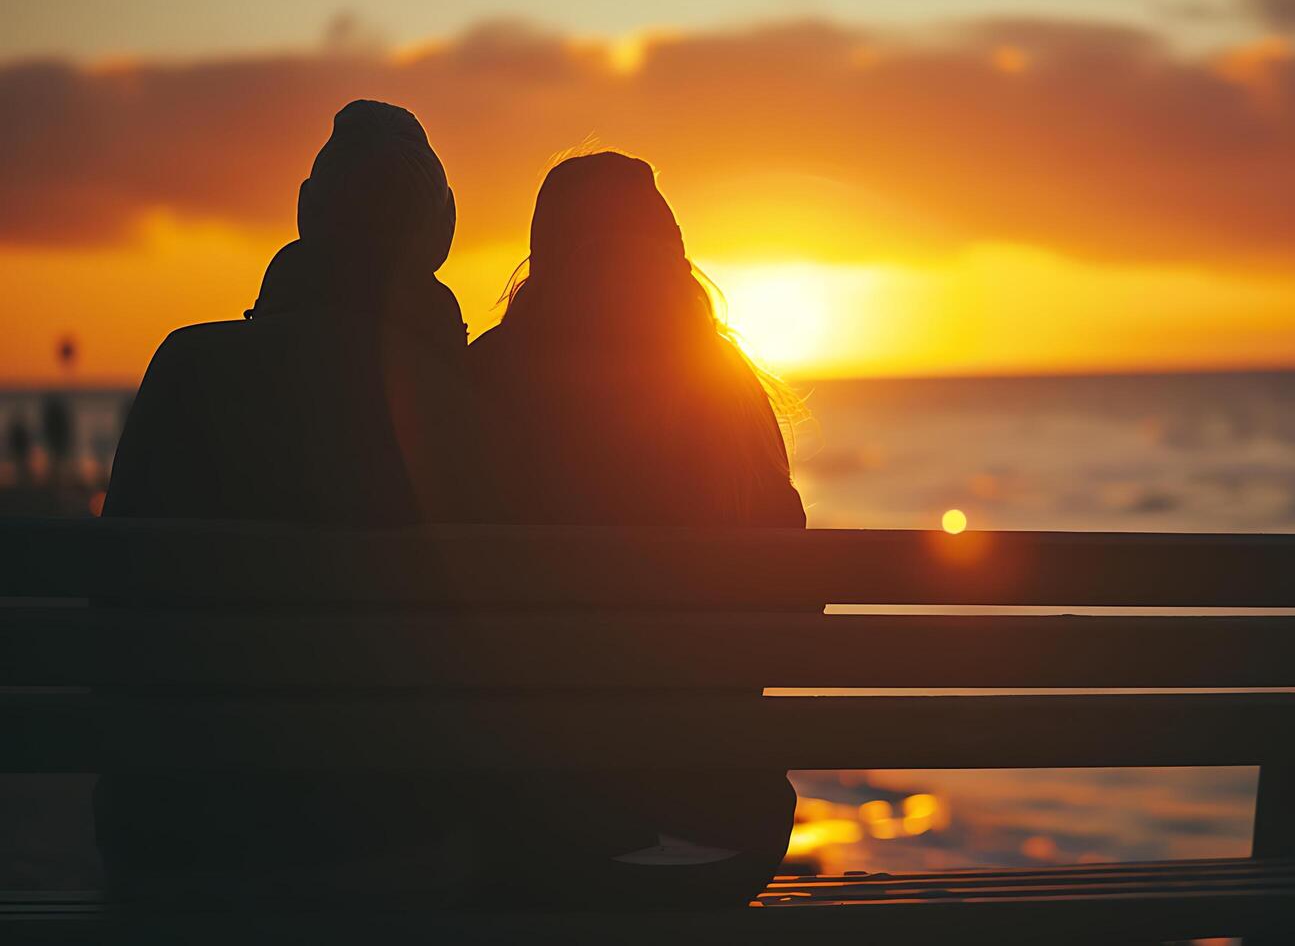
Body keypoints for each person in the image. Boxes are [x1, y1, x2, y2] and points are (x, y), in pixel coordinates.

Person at [97, 100, 478, 905]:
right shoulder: (475, 402)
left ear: (306, 216)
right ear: (438, 239)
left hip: (180, 840)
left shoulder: (189, 370)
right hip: (405, 840)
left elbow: (114, 604)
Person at [467, 152, 806, 907]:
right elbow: (797, 604)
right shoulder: (728, 389)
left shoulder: (486, 381)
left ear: (544, 254)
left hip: (543, 836)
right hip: (735, 834)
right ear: (672, 251)